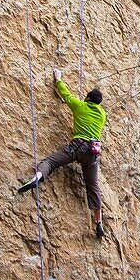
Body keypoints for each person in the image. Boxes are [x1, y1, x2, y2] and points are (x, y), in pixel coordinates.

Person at [17, 69, 107, 239]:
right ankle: (98, 223)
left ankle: (37, 176)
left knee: (50, 162)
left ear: (87, 98)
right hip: (93, 153)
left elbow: (65, 94)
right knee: (93, 187)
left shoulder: (80, 106)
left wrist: (58, 79)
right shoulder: (102, 114)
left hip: (77, 146)